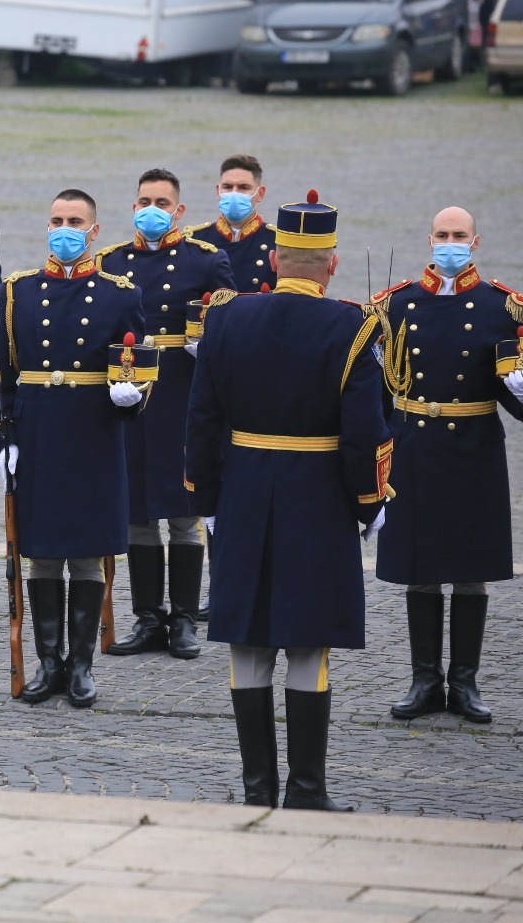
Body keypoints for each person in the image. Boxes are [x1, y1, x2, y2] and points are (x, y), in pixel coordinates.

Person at [186, 191, 392, 812]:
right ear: (329, 264)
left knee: (247, 643)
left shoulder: (225, 318)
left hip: (245, 489)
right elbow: (364, 433)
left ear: (274, 258)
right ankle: (306, 789)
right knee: (307, 642)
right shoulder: (354, 326)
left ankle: (256, 790)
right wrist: (367, 501)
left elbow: (201, 421)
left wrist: (209, 495)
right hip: (318, 496)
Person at [373, 206, 523, 724]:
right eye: (443, 235)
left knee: (471, 572)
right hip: (416, 447)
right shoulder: (395, 305)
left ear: (476, 241)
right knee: (420, 570)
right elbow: (380, 396)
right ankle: (424, 678)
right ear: (429, 239)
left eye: (460, 236)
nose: (451, 243)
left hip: (473, 447)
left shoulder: (501, 308)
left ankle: (464, 682)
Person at [0, 189, 145, 708]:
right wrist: (4, 437)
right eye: (56, 220)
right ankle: (48, 660)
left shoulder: (121, 294)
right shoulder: (20, 291)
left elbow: (138, 369)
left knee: (86, 554)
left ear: (94, 231)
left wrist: (131, 397)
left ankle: (80, 665)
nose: (64, 229)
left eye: (75, 221)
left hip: (92, 434)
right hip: (38, 434)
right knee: (43, 555)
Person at [99, 169, 233, 660]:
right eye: (142, 201)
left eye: (161, 201)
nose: (150, 209)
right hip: (131, 398)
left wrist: (209, 348)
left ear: (178, 210)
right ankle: (147, 616)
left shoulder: (205, 259)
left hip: (181, 395)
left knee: (180, 513)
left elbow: (228, 320)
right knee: (137, 515)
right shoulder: (112, 262)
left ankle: (182, 618)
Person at [185, 155, 276, 293]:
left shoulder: (277, 242)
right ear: (218, 191)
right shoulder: (194, 241)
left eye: (243, 187)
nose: (234, 193)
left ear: (260, 194)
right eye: (227, 187)